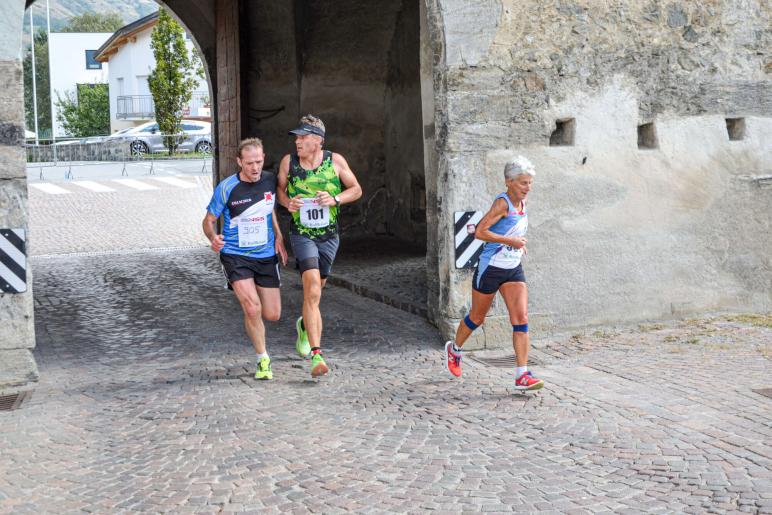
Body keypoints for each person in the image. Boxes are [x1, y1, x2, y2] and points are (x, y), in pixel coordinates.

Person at [444, 156, 544, 391]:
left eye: (529, 183)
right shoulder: (503, 204)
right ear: (508, 182)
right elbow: (480, 232)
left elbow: (514, 229)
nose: (527, 188)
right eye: (523, 183)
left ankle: (522, 375)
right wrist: (511, 241)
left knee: (521, 319)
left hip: (513, 269)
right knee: (477, 318)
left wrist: (517, 245)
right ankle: (455, 349)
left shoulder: (522, 202)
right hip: (491, 268)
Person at [277, 115, 362, 377]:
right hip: (302, 234)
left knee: (315, 293)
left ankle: (304, 324)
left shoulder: (334, 161)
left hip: (329, 236)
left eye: (303, 137)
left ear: (318, 141)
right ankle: (317, 355)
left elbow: (356, 189)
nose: (298, 142)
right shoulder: (288, 162)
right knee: (312, 287)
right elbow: (279, 192)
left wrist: (335, 198)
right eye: (297, 137)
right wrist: (287, 202)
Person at [202, 137, 288, 380]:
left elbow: (269, 207)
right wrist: (213, 238)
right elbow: (208, 221)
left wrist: (279, 236)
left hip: (265, 255)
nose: (255, 168)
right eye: (249, 163)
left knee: (272, 314)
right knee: (252, 308)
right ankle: (263, 359)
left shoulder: (270, 180)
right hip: (235, 255)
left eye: (259, 162)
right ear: (239, 162)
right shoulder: (227, 188)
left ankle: (304, 326)